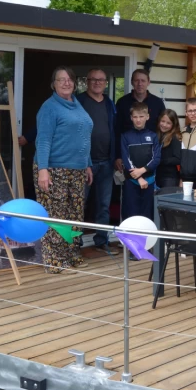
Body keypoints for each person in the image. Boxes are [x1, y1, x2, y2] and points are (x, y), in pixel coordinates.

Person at [34, 66, 94, 273]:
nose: (66, 83)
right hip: (54, 169)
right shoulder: (49, 107)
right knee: (56, 215)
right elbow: (43, 141)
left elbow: (83, 137)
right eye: (61, 79)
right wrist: (43, 169)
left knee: (74, 215)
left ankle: (71, 254)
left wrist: (87, 164)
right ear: (54, 84)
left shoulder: (76, 104)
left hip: (77, 169)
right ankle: (55, 260)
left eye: (70, 79)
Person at [76, 68, 117, 252]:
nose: (97, 82)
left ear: (106, 83)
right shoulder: (78, 101)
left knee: (103, 206)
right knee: (79, 204)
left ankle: (101, 241)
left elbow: (116, 130)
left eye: (101, 80)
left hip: (106, 162)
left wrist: (116, 156)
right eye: (93, 79)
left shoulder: (109, 103)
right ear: (87, 81)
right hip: (84, 163)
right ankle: (75, 243)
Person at [115, 68, 165, 174]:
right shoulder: (122, 102)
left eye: (143, 80)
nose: (140, 84)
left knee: (151, 183)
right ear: (132, 82)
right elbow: (117, 130)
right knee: (130, 183)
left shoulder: (157, 103)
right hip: (129, 156)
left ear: (148, 82)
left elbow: (164, 127)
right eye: (136, 80)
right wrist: (118, 156)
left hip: (152, 156)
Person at [120, 102, 161, 220]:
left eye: (141, 116)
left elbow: (156, 158)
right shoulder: (126, 136)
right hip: (132, 182)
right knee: (131, 214)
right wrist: (138, 178)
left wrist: (142, 171)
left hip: (149, 182)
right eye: (135, 117)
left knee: (147, 215)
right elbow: (126, 159)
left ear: (147, 117)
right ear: (131, 118)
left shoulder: (153, 136)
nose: (138, 120)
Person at [155, 109, 182, 188]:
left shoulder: (175, 138)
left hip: (169, 178)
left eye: (168, 123)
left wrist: (160, 160)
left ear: (173, 125)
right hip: (158, 175)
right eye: (162, 121)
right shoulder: (157, 136)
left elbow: (178, 159)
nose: (164, 125)